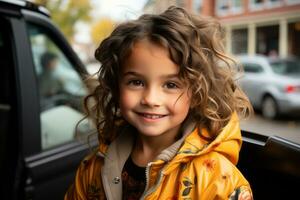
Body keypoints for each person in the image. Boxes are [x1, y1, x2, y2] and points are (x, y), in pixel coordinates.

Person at [65, 6, 253, 200]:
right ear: (116, 86)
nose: (151, 99)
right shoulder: (93, 167)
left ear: (196, 93)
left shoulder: (218, 181)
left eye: (171, 84)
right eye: (136, 82)